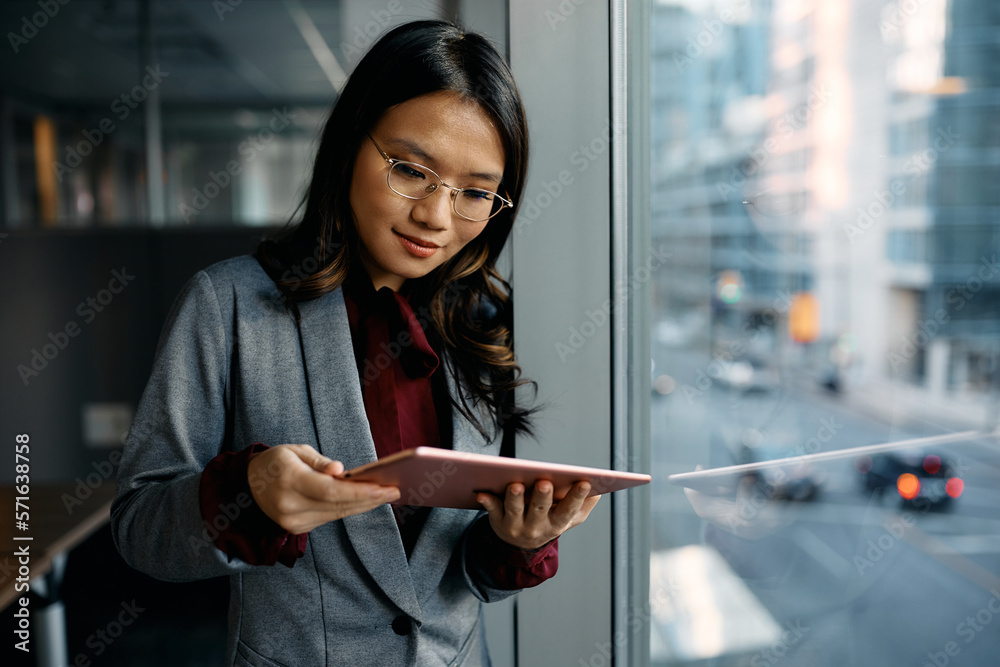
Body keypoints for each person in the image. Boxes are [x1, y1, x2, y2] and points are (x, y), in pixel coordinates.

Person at [110, 19, 600, 667]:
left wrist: (514, 539)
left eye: (476, 193)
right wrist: (246, 496)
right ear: (349, 146)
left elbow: (454, 575)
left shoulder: (481, 319)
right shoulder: (227, 303)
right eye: (409, 169)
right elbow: (140, 528)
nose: (436, 215)